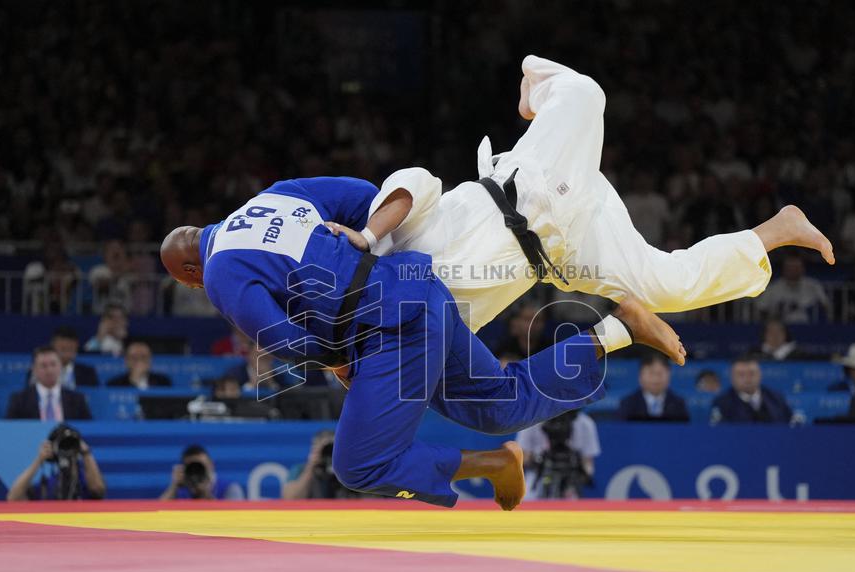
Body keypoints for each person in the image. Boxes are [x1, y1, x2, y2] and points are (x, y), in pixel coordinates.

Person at [160, 177, 686, 510]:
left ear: (189, 272)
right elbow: (367, 196)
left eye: (192, 285)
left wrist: (339, 359)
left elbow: (285, 341)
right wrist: (363, 241)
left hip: (387, 332)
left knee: (358, 465)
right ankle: (619, 328)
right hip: (420, 287)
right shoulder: (274, 196)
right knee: (499, 404)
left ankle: (488, 465)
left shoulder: (221, 269)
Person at [324, 55, 835, 335]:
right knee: (670, 288)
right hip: (560, 253)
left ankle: (538, 81)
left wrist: (367, 235)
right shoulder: (423, 326)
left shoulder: (384, 245)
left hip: (533, 191)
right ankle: (777, 230)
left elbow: (415, 180)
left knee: (587, 94)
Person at [7, 425, 106, 501]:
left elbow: (98, 490)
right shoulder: (47, 485)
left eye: (70, 444)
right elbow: (13, 498)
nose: (67, 448)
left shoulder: (87, 481)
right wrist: (39, 460)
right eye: (63, 445)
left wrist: (86, 453)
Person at [517, 410, 599, 499]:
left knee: (572, 500)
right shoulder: (532, 420)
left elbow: (588, 462)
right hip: (539, 473)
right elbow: (523, 457)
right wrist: (537, 459)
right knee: (528, 496)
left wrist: (582, 475)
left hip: (570, 473)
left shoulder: (585, 423)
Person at [5, 346, 93, 420]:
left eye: (53, 364)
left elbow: (88, 429)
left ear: (60, 367)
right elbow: (9, 429)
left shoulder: (77, 400)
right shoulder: (19, 400)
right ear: (34, 369)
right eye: (43, 365)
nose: (49, 370)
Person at [283, 430, 364, 500]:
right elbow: (290, 499)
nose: (329, 453)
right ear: (314, 449)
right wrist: (311, 466)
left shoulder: (349, 470)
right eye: (326, 449)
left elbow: (367, 499)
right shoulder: (301, 469)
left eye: (333, 449)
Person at [712, 355, 793, 423]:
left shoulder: (776, 398)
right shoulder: (722, 402)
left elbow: (791, 425)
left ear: (760, 375)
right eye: (741, 375)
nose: (747, 379)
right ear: (732, 378)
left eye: (752, 373)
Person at [756, 253, 831, 324]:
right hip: (781, 328)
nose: (793, 270)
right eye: (789, 267)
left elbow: (826, 306)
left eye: (796, 267)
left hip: (810, 328)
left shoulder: (813, 286)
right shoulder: (773, 288)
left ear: (802, 268)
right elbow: (761, 308)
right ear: (784, 269)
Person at [617, 354, 690, 421]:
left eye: (660, 374)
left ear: (669, 375)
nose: (655, 379)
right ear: (640, 376)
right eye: (651, 373)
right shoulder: (627, 404)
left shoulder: (679, 404)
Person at [159, 444, 244, 500]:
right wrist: (174, 486)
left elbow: (234, 517)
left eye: (201, 466)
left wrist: (205, 493)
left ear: (211, 465)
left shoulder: (230, 488)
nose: (196, 471)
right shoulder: (180, 489)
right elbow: (158, 515)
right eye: (192, 468)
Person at [106, 341, 171, 388]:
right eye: (134, 357)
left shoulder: (163, 382)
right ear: (126, 361)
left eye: (143, 357)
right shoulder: (114, 384)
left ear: (150, 360)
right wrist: (134, 381)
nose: (139, 361)